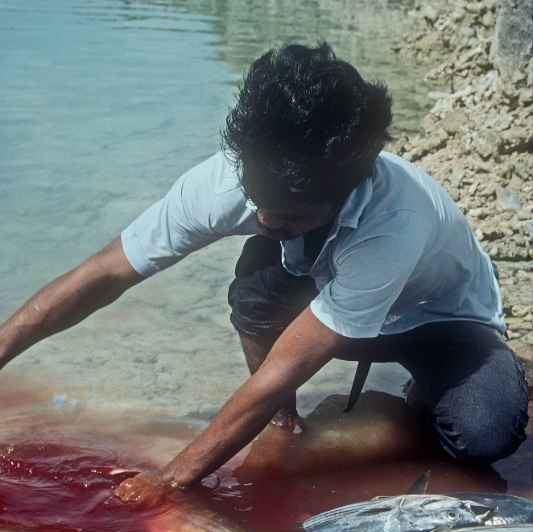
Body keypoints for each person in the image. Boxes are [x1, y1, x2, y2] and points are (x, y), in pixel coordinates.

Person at [0, 44, 528, 506]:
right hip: (336, 302)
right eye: (258, 203)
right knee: (259, 276)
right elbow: (104, 274)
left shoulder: (396, 221)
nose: (268, 220)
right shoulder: (230, 178)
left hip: (438, 321)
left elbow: (284, 367)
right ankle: (284, 421)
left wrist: (173, 479)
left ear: (345, 190)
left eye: (290, 215)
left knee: (485, 436)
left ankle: (409, 405)